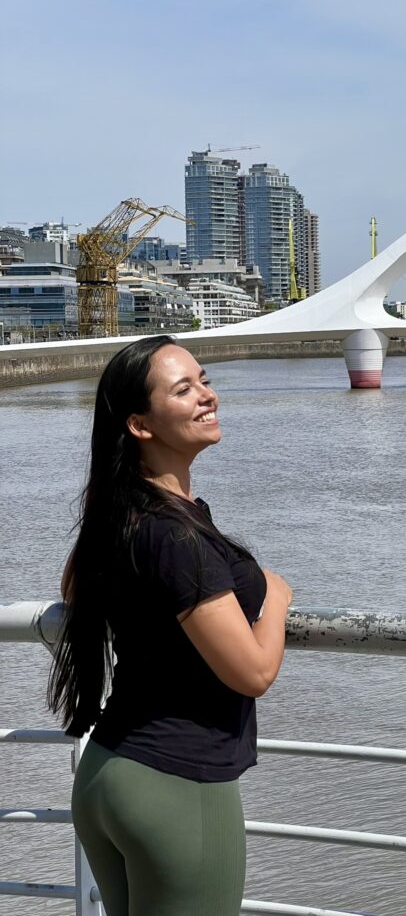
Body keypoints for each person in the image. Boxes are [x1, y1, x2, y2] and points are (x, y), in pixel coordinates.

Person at [47, 334, 293, 916]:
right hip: (176, 785)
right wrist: (276, 599)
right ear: (140, 425)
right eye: (184, 390)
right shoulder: (177, 537)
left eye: (204, 380)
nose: (207, 396)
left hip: (108, 773)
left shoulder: (124, 512)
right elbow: (252, 673)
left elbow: (75, 587)